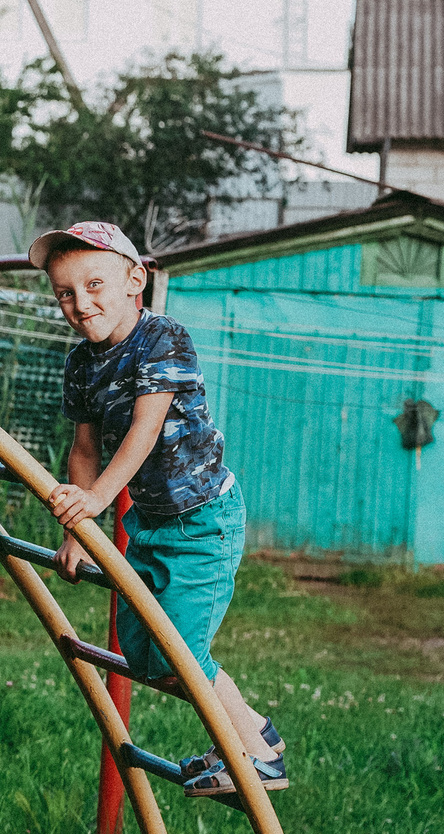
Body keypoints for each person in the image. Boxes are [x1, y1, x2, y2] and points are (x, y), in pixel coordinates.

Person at [36, 221, 282, 797]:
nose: (80, 303)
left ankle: (255, 756)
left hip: (202, 522)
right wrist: (80, 529)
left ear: (134, 280)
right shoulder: (81, 364)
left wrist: (96, 498)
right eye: (65, 293)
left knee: (182, 653)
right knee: (148, 661)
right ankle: (255, 733)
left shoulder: (162, 338)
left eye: (94, 284)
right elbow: (85, 448)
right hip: (146, 523)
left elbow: (145, 430)